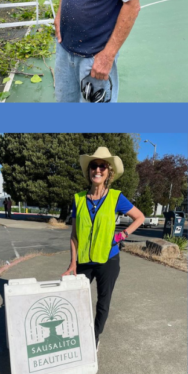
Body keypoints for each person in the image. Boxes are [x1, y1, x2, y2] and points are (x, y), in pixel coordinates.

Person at [61, 147, 146, 349]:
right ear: (89, 171)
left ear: (108, 172)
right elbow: (74, 235)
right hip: (83, 261)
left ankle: (94, 337)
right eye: (94, 166)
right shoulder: (78, 199)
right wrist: (73, 262)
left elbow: (140, 217)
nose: (97, 170)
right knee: (75, 299)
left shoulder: (116, 197)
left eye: (102, 166)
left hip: (109, 260)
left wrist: (122, 235)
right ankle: (77, 332)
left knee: (103, 302)